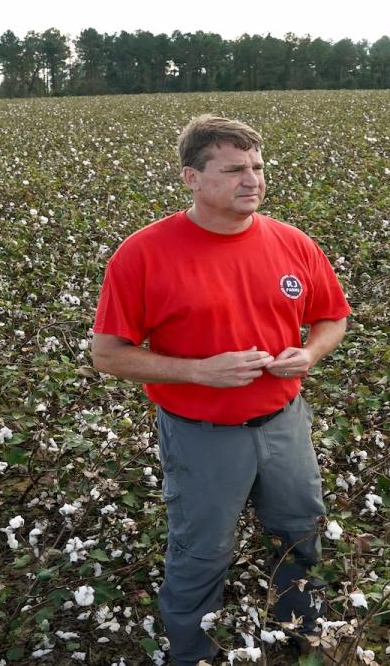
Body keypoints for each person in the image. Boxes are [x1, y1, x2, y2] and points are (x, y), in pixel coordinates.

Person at [90, 114, 350, 664]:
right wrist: (197, 372)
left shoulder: (293, 243)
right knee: (201, 552)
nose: (252, 180)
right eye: (234, 170)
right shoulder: (143, 254)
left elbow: (333, 318)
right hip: (201, 436)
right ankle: (192, 654)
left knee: (300, 533)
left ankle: (302, 631)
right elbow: (107, 354)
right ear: (192, 177)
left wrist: (309, 353)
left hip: (285, 423)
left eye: (257, 167)